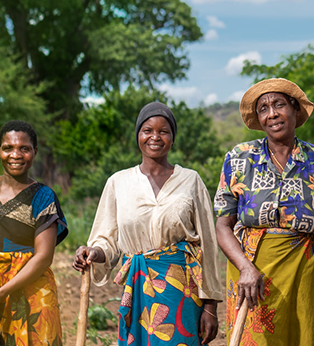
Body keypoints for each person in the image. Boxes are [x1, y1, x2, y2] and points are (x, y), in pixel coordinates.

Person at [213, 78, 314, 345]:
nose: (272, 113)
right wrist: (245, 268)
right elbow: (223, 226)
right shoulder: (240, 158)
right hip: (253, 275)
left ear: (295, 109)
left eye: (279, 104)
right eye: (263, 108)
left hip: (306, 275)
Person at [73, 102, 223, 346]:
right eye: (147, 130)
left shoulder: (190, 180)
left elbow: (208, 244)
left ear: (172, 138)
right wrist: (93, 252)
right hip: (137, 287)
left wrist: (210, 307)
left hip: (182, 289)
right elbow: (107, 241)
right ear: (138, 136)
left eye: (163, 131)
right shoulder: (118, 183)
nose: (155, 137)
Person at [0, 120, 68, 345]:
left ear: (35, 152)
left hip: (32, 295)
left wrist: (2, 293)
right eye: (8, 148)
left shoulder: (43, 197)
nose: (15, 155)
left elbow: (43, 257)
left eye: (24, 148)